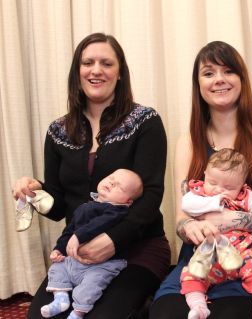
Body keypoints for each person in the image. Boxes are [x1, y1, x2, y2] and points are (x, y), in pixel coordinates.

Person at [11, 33, 170, 319]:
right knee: (39, 317)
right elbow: (59, 207)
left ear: (120, 73)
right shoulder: (57, 131)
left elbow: (151, 197)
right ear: (78, 72)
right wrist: (35, 191)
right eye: (88, 63)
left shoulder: (146, 121)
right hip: (78, 254)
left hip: (136, 249)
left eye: (106, 63)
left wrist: (112, 239)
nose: (96, 70)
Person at [150, 41, 252, 319]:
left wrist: (228, 220)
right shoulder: (188, 142)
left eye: (228, 71)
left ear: (241, 79)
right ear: (198, 85)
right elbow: (181, 218)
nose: (219, 79)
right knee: (165, 313)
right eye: (209, 73)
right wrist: (191, 228)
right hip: (201, 263)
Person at [181, 148, 252, 319]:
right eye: (213, 182)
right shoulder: (199, 194)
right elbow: (187, 205)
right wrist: (216, 202)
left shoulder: (245, 196)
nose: (218, 190)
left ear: (242, 184)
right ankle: (199, 307)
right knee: (191, 275)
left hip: (241, 252)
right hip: (208, 253)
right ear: (205, 174)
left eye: (229, 187)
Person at [41, 168, 143, 319]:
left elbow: (99, 224)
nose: (112, 183)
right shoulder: (84, 207)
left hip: (102, 265)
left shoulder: (117, 211)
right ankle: (60, 298)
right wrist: (59, 250)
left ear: (127, 201)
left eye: (119, 186)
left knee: (92, 285)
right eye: (111, 178)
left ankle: (78, 313)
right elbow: (69, 232)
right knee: (57, 267)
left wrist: (79, 236)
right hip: (75, 260)